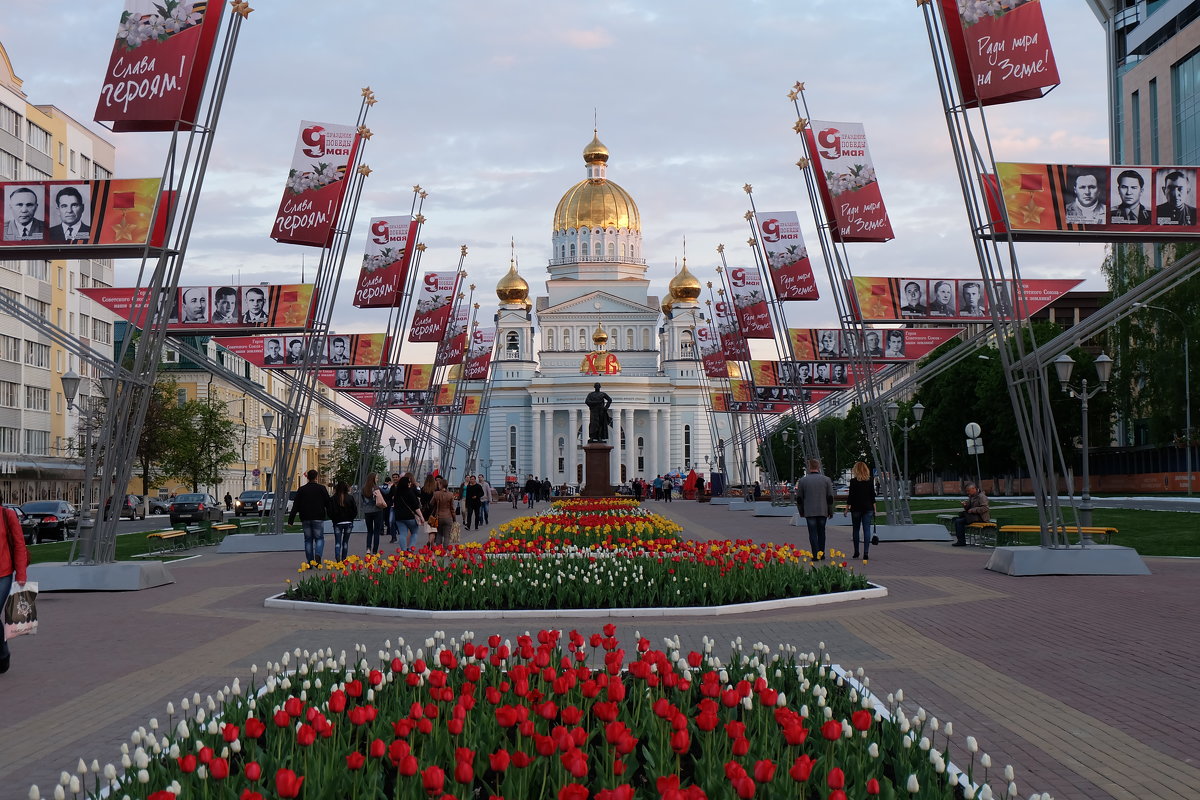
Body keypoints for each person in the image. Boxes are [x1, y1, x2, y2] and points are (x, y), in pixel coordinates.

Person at [0, 492, 31, 673]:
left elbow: (19, 544)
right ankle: (2, 654)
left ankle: (3, 656)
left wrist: (21, 574)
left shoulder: (7, 515)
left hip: (3, 574)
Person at [289, 469, 330, 563]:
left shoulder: (302, 489)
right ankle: (318, 554)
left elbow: (296, 505)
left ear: (307, 477)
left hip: (305, 517)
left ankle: (310, 561)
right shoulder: (322, 488)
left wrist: (291, 520)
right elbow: (328, 503)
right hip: (318, 517)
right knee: (319, 538)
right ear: (316, 477)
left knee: (308, 540)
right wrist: (331, 514)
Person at [796, 460, 833, 560]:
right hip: (822, 511)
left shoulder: (803, 481)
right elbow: (830, 498)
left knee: (812, 533)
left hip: (809, 512)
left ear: (809, 467)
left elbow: (799, 498)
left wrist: (801, 511)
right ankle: (822, 553)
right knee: (822, 532)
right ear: (819, 467)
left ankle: (815, 555)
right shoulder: (826, 480)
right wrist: (830, 511)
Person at [847, 461, 875, 560]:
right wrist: (874, 509)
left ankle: (856, 552)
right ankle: (866, 553)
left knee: (856, 529)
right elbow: (872, 496)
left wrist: (847, 508)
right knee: (867, 530)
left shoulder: (853, 481)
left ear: (856, 470)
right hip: (868, 508)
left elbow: (850, 496)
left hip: (856, 508)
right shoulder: (870, 480)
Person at [326, 481, 358, 562]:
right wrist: (351, 518)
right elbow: (355, 510)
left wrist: (334, 519)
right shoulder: (350, 498)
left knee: (337, 542)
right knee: (345, 542)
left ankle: (337, 557)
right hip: (348, 522)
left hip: (337, 523)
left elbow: (329, 511)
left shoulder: (333, 498)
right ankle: (344, 559)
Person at [390, 474, 423, 550]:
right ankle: (411, 549)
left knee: (402, 534)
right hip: (410, 517)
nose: (410, 484)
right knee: (414, 532)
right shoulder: (410, 492)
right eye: (409, 482)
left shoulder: (397, 493)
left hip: (399, 517)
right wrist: (421, 517)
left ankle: (403, 551)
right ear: (407, 483)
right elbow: (416, 507)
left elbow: (394, 504)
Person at [953, 481, 990, 547]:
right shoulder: (971, 496)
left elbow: (985, 508)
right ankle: (960, 540)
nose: (967, 493)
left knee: (959, 522)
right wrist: (965, 505)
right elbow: (968, 508)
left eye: (968, 491)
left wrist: (973, 510)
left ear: (974, 489)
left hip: (981, 518)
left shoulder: (982, 497)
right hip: (973, 516)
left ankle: (961, 541)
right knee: (956, 520)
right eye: (967, 491)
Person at [360, 472, 385, 555]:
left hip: (367, 512)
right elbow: (382, 497)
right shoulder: (376, 488)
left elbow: (363, 500)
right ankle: (374, 551)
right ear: (373, 479)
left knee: (369, 531)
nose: (377, 479)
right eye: (376, 478)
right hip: (377, 511)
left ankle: (368, 549)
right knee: (376, 532)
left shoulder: (363, 489)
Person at [430, 477, 457, 547]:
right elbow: (452, 508)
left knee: (438, 534)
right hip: (448, 517)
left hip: (438, 517)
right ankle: (445, 551)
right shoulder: (450, 494)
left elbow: (431, 503)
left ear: (441, 485)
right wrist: (454, 518)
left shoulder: (436, 494)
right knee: (447, 536)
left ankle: (439, 550)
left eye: (439, 484)